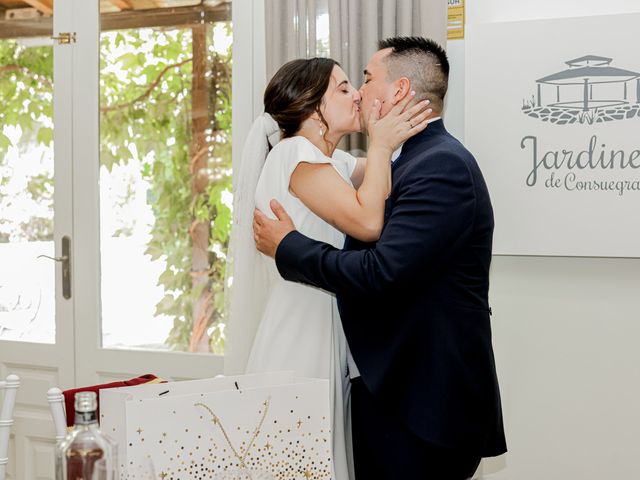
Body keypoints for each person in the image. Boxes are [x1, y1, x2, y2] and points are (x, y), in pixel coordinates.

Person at [253, 37, 507, 479]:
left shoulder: (439, 166)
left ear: (398, 91)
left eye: (366, 80)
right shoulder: (390, 160)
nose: (359, 93)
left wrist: (288, 247)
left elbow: (382, 270)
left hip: (422, 400)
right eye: (347, 86)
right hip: (373, 378)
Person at [228, 57, 432, 479]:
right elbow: (369, 221)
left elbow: (384, 182)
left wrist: (388, 127)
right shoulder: (294, 153)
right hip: (300, 335)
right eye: (342, 88)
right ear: (309, 106)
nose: (356, 93)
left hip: (324, 327)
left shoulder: (329, 162)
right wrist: (378, 145)